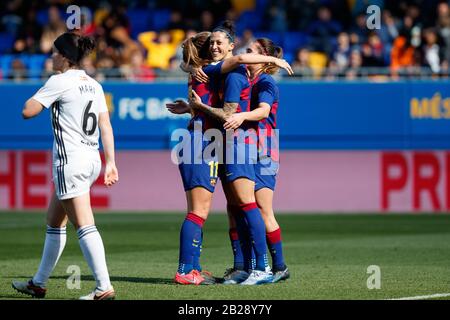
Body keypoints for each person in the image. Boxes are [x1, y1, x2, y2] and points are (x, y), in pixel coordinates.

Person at [167, 27, 292, 285]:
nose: (248, 55)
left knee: (252, 206)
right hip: (215, 143)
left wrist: (197, 106)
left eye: (252, 53)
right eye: (211, 43)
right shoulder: (218, 71)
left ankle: (269, 267)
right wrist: (194, 102)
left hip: (249, 145)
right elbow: (188, 63)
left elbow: (241, 111)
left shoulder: (247, 77)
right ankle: (239, 268)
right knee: (233, 207)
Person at [11, 32, 118, 300]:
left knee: (84, 224)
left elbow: (27, 111)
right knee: (54, 221)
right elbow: (105, 125)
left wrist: (38, 96)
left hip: (70, 160)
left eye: (54, 52)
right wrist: (111, 163)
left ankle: (103, 287)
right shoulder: (94, 84)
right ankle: (38, 282)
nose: (51, 56)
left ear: (65, 57)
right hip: (92, 159)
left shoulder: (58, 81)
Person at [223, 38, 290, 283]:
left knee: (262, 209)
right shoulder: (246, 81)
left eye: (251, 51)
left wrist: (240, 117)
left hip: (264, 151)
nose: (245, 53)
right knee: (238, 207)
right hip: (248, 149)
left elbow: (263, 111)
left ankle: (279, 266)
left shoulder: (265, 81)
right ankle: (244, 266)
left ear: (263, 58)